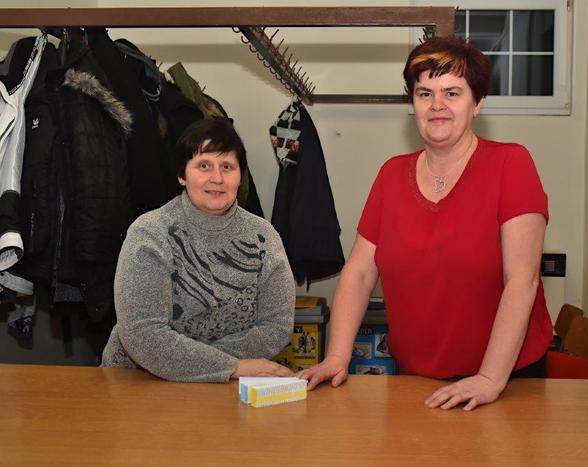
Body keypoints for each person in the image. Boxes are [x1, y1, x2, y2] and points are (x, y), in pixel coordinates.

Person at [298, 36, 552, 410]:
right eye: (424, 93)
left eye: (452, 93)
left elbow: (522, 281)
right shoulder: (391, 174)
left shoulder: (511, 165)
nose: (437, 105)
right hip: (416, 380)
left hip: (506, 381)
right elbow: (359, 274)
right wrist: (337, 356)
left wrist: (489, 379)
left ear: (477, 103)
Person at [101, 119, 295, 382]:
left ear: (240, 176)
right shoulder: (150, 233)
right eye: (204, 166)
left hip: (229, 384)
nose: (217, 178)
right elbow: (142, 334)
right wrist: (231, 366)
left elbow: (276, 327)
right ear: (181, 175)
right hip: (140, 380)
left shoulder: (264, 237)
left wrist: (216, 366)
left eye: (227, 167)